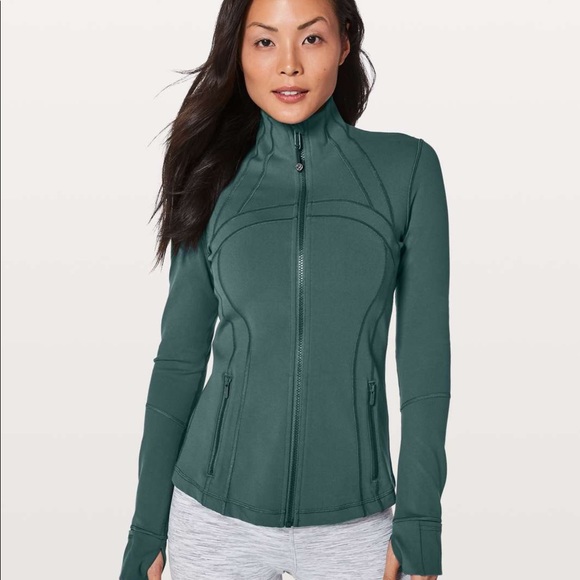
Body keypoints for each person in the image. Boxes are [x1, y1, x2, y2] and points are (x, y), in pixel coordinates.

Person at [119, 0, 451, 578]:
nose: (288, 64)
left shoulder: (407, 170)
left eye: (312, 39)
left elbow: (425, 362)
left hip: (356, 527)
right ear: (238, 52)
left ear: (345, 43)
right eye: (265, 41)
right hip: (212, 521)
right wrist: (147, 529)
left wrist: (420, 522)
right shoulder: (210, 177)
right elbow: (178, 362)